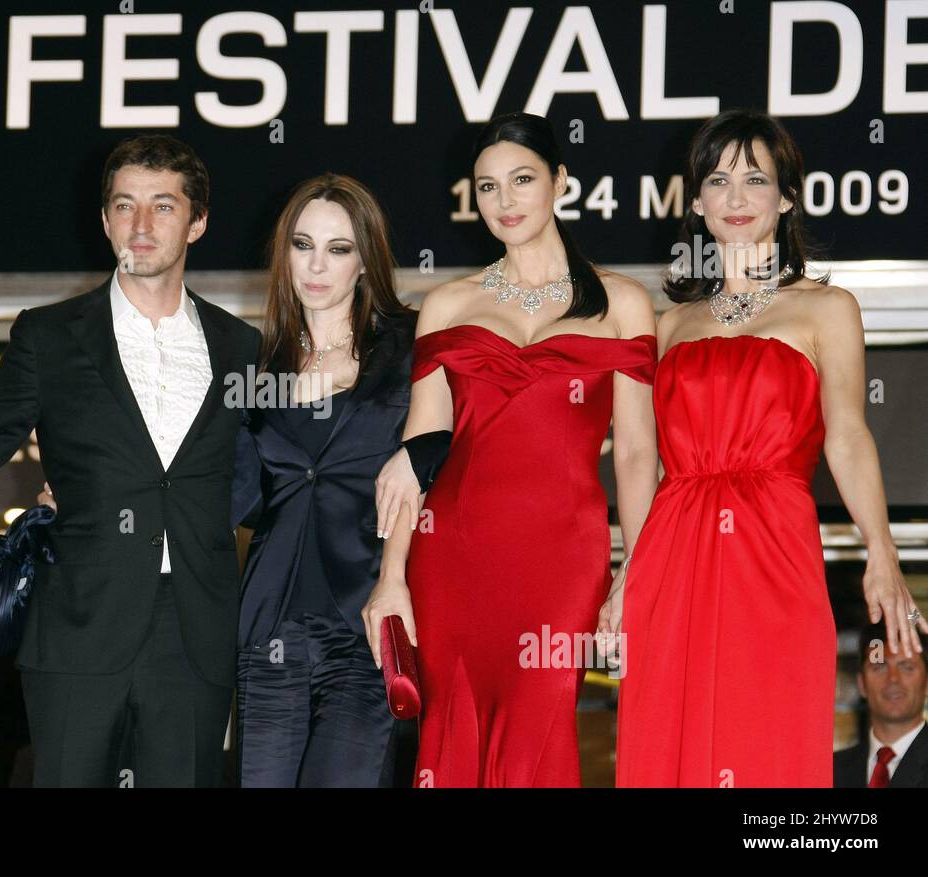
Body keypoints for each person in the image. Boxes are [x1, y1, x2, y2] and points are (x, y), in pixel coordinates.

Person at [615, 109, 926, 787]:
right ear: (694, 200)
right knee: (667, 733)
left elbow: (847, 433)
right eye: (717, 179)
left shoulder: (825, 308)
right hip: (674, 550)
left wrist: (882, 550)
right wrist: (625, 573)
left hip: (775, 543)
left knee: (767, 734)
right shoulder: (669, 324)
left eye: (755, 178)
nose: (734, 197)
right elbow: (648, 461)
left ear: (787, 197)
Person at [363, 112, 659, 787]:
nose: (505, 201)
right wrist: (392, 575)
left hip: (562, 554)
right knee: (450, 729)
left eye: (522, 180)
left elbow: (637, 454)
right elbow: (420, 452)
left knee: (539, 728)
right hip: (453, 554)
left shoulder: (623, 302)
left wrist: (635, 571)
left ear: (560, 181)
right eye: (488, 187)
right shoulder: (447, 304)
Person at [0, 134, 261, 787]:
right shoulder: (47, 335)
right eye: (125, 205)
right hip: (77, 622)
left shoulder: (242, 346)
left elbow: (264, 472)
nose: (141, 225)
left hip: (196, 630)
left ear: (197, 221)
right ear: (105, 218)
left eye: (163, 206)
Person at [230, 173, 416, 787]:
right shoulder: (259, 365)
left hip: (363, 622)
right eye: (302, 244)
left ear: (366, 260)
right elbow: (227, 493)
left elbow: (448, 449)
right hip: (269, 626)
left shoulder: (408, 351)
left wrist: (417, 458)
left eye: (338, 249)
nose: (316, 265)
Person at [834, 623, 928, 787]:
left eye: (907, 667)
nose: (893, 679)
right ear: (862, 683)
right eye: (879, 667)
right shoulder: (831, 770)